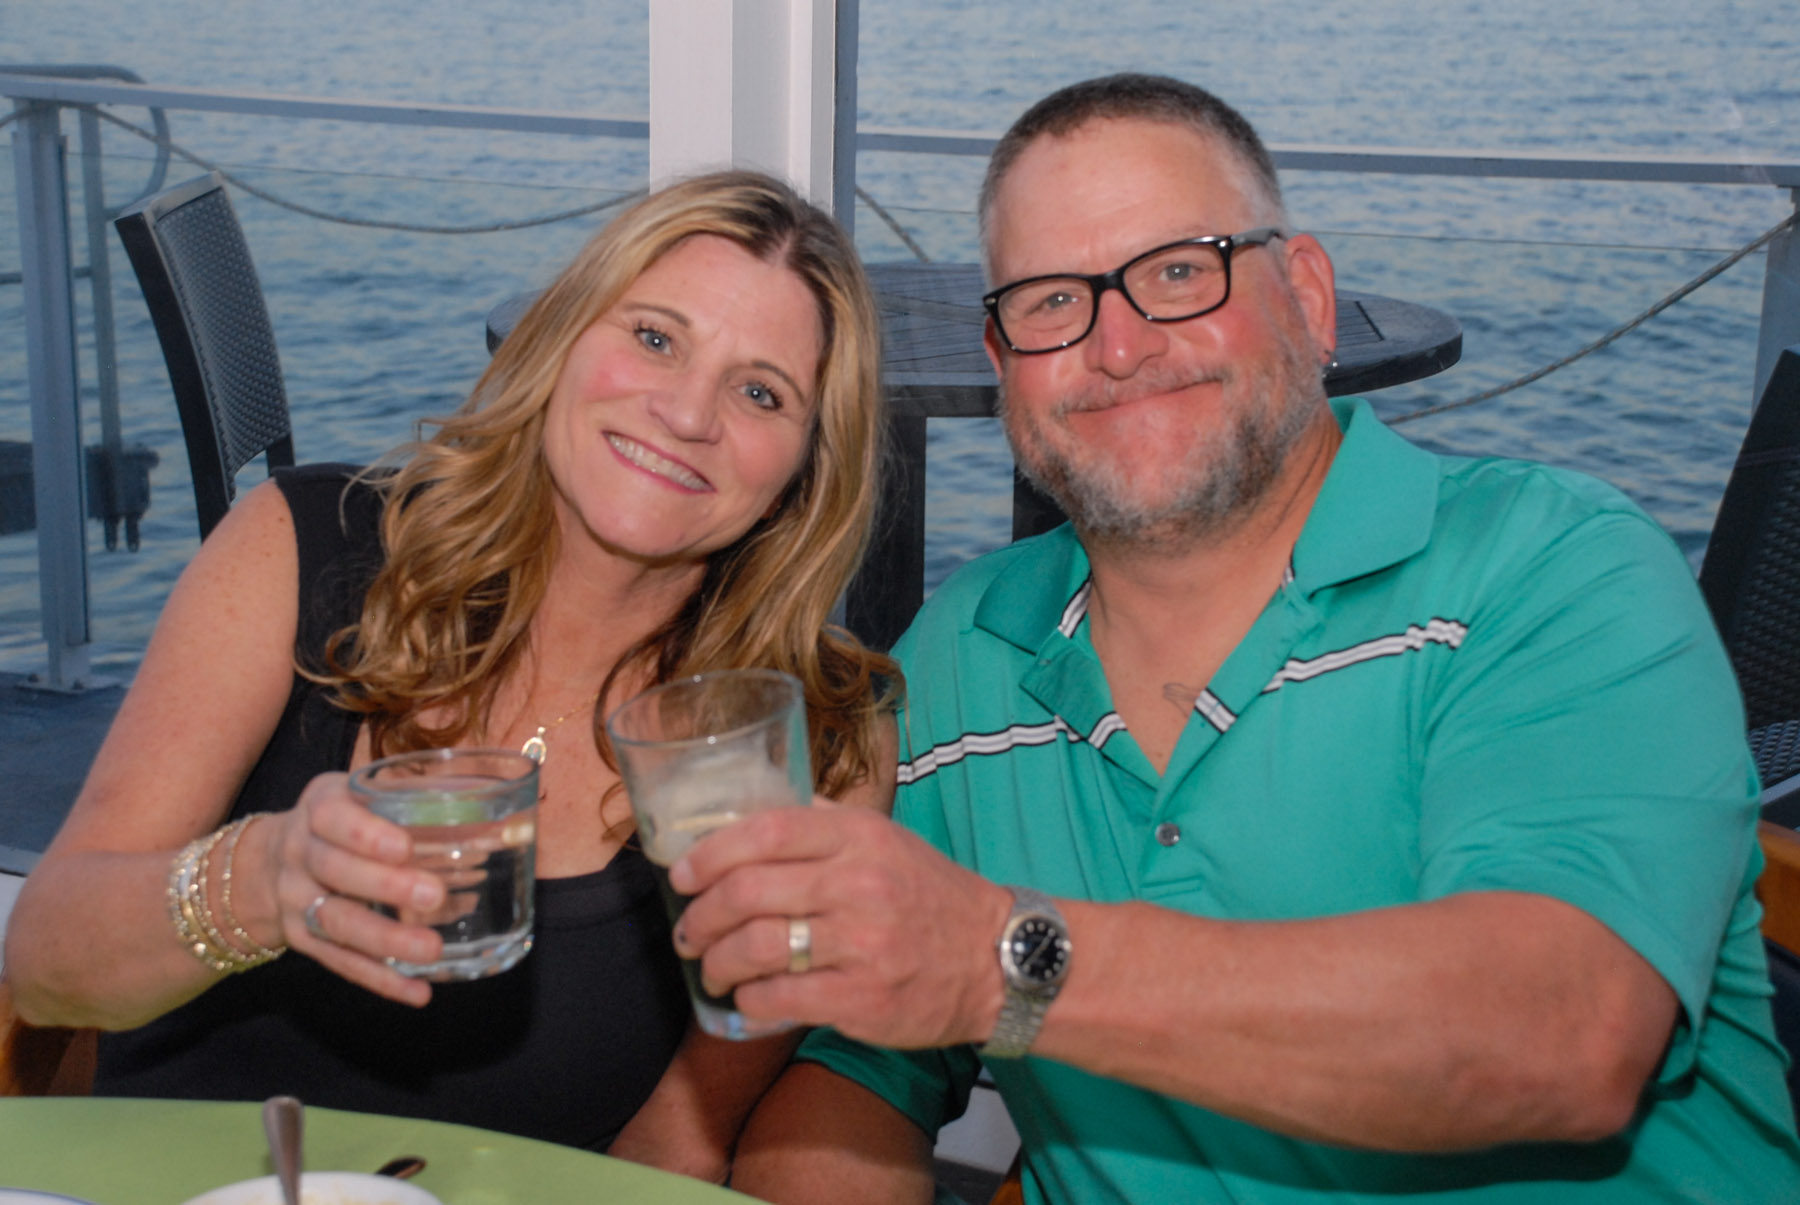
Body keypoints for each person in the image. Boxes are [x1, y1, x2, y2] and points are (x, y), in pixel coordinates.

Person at [668, 75, 1800, 1202]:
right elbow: (866, 1066)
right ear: (1004, 363)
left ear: (1307, 296)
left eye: (1179, 271)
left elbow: (1565, 1033)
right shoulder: (967, 652)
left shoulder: (1553, 569)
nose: (1118, 346)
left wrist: (997, 962)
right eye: (1052, 301)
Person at [3, 170, 897, 1178]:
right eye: (655, 337)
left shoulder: (818, 741)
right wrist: (263, 878)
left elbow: (673, 1148)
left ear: (803, 473)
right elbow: (46, 963)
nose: (688, 412)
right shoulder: (302, 549)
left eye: (760, 391)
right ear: (560, 341)